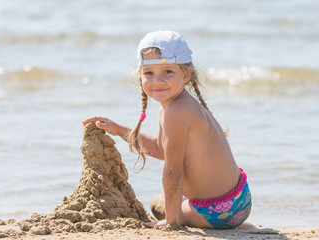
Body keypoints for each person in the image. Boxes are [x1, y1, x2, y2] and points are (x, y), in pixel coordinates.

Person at [82, 30, 252, 229]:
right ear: (140, 76)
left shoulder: (176, 111)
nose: (157, 81)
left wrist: (171, 223)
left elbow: (172, 172)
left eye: (167, 72)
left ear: (186, 74)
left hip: (218, 210)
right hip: (239, 198)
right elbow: (159, 149)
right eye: (149, 73)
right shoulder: (180, 105)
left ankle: (223, 223)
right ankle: (239, 225)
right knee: (167, 201)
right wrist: (119, 129)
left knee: (158, 204)